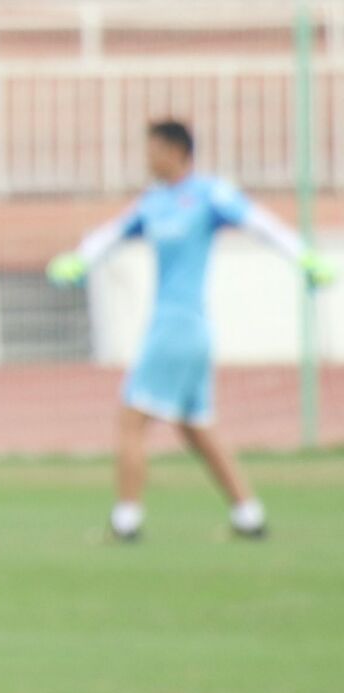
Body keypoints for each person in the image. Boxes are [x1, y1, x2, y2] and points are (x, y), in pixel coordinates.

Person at [48, 119, 335, 541]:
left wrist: (305, 257)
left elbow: (261, 224)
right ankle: (249, 516)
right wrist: (79, 260)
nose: (147, 158)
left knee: (131, 419)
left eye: (153, 149)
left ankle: (126, 522)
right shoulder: (153, 202)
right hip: (179, 325)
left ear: (176, 151)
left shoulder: (209, 194)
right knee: (195, 427)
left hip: (177, 326)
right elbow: (111, 234)